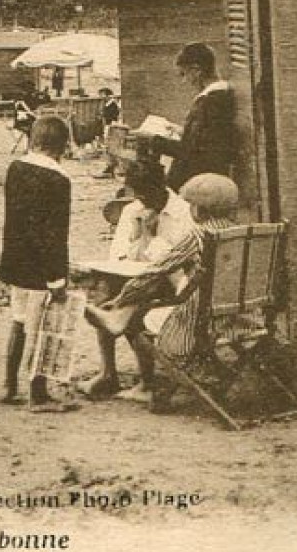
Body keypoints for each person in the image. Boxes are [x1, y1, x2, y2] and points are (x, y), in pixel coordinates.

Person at [84, 174, 240, 412]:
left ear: (200, 209)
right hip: (240, 318)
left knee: (144, 316)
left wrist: (121, 298)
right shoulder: (242, 234)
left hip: (199, 321)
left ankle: (153, 384)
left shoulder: (199, 236)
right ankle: (119, 323)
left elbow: (157, 269)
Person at [80, 163, 196, 401]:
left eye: (147, 194)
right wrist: (140, 233)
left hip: (174, 284)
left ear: (161, 187)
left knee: (132, 297)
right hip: (136, 278)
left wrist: (152, 237)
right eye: (138, 195)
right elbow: (118, 256)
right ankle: (108, 373)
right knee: (105, 291)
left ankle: (146, 381)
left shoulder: (184, 213)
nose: (143, 200)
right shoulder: (133, 211)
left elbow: (178, 262)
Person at [0, 114, 72, 411]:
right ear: (62, 147)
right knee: (43, 327)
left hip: (16, 260)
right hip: (42, 267)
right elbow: (55, 233)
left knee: (18, 321)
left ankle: (8, 384)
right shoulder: (59, 180)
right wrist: (57, 276)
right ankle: (38, 395)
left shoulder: (15, 168)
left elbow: (19, 221)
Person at [154, 43, 237, 192]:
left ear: (196, 70)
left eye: (183, 74)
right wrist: (181, 131)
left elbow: (194, 151)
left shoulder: (211, 100)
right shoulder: (218, 95)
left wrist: (156, 142)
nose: (184, 81)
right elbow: (204, 139)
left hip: (200, 182)